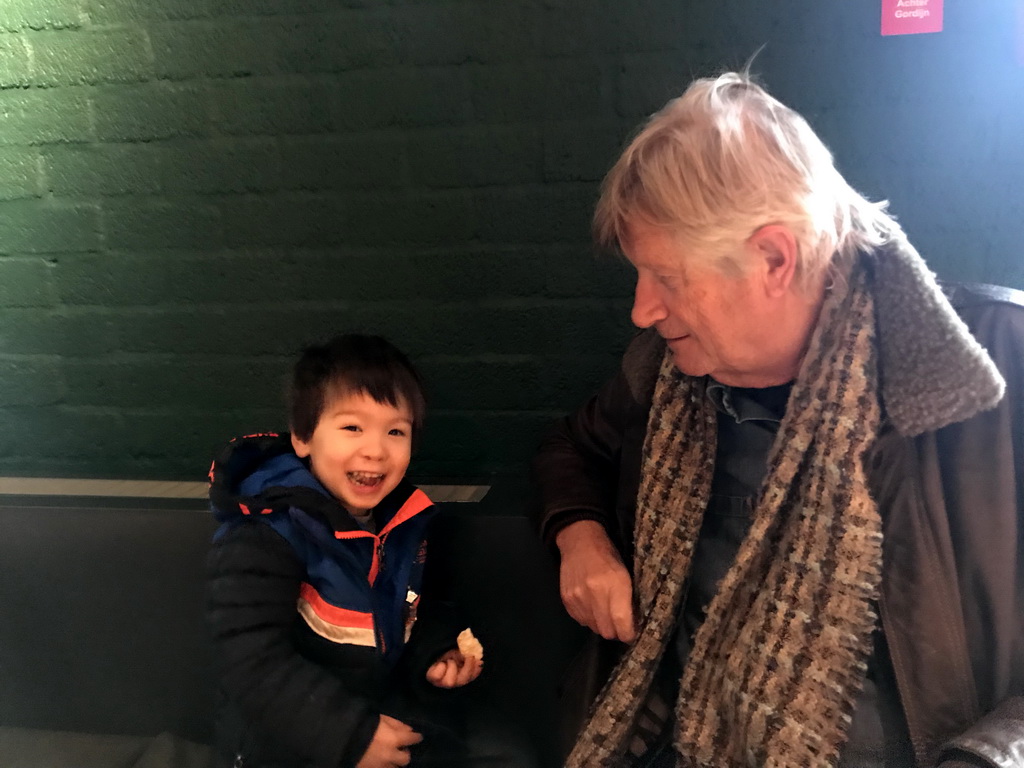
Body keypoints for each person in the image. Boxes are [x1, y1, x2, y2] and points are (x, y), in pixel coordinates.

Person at [532, 71, 1024, 768]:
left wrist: (982, 760)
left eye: (667, 279)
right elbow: (570, 447)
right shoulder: (667, 369)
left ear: (773, 258)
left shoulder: (997, 365)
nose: (641, 309)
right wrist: (582, 541)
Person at [206, 334, 484, 768]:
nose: (375, 450)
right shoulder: (265, 535)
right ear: (303, 437)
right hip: (285, 743)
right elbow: (250, 662)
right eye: (352, 427)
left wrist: (434, 654)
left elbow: (411, 610)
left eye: (396, 431)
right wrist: (352, 736)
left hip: (374, 712)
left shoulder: (406, 524)